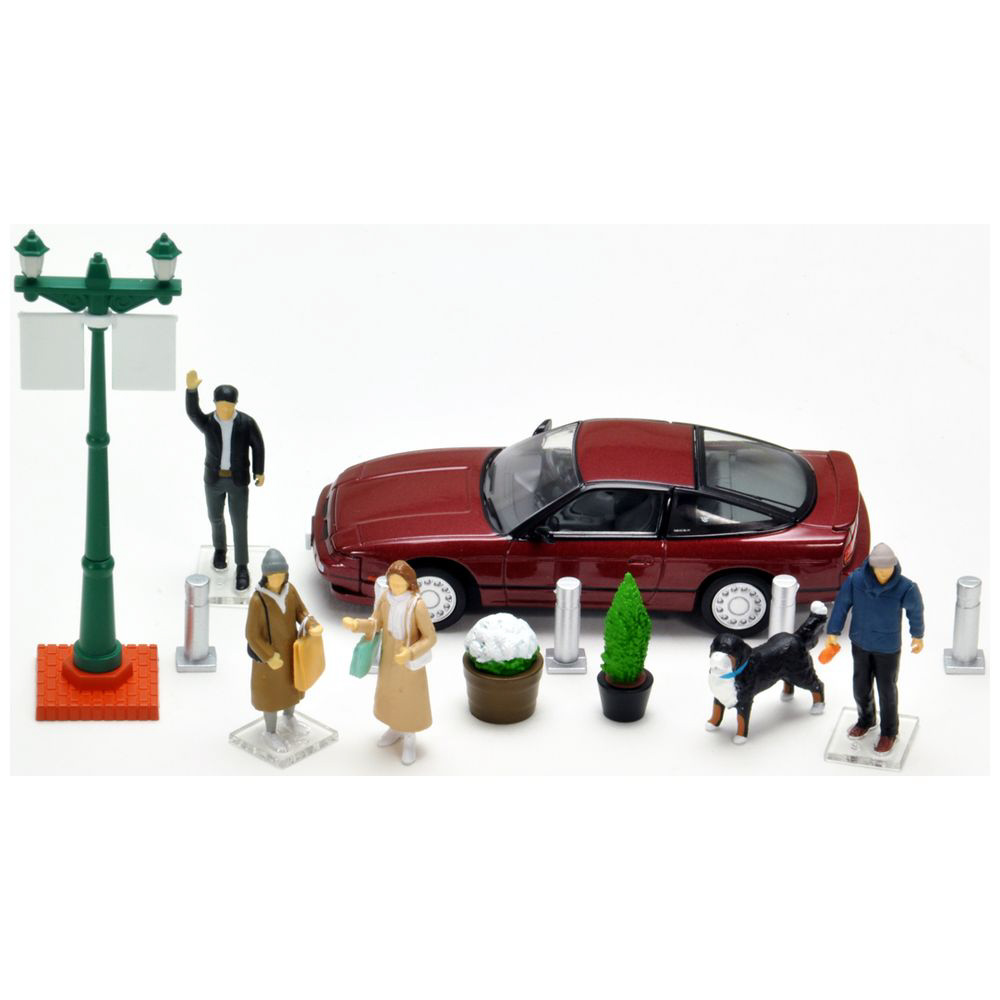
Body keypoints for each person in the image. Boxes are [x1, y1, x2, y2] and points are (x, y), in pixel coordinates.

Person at [824, 542, 924, 755]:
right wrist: (833, 631)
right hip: (860, 642)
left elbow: (915, 610)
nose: (884, 573)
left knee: (887, 690)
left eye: (888, 568)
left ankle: (889, 732)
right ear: (872, 566)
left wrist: (917, 635)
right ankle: (866, 719)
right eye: (880, 568)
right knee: (860, 686)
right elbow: (841, 604)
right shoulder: (856, 580)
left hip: (888, 648)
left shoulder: (906, 587)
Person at [343, 560, 436, 765]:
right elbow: (376, 622)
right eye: (392, 583)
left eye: (400, 584)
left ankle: (409, 737)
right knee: (390, 693)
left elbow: (430, 637)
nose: (395, 587)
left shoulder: (417, 604)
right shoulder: (386, 597)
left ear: (409, 583)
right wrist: (357, 625)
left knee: (409, 697)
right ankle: (395, 727)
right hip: (389, 655)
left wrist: (411, 652)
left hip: (408, 659)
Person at [185, 369, 265, 591]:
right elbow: (193, 413)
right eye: (221, 406)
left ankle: (242, 566)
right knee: (215, 517)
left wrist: (259, 471)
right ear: (215, 405)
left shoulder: (246, 423)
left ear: (235, 405)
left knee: (239, 522)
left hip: (238, 480)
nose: (225, 410)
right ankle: (220, 550)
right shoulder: (208, 422)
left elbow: (258, 445)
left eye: (229, 406)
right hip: (213, 479)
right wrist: (191, 391)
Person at [245, 548, 322, 754]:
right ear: (265, 576)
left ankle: (289, 717)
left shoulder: (291, 591)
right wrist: (269, 656)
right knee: (270, 695)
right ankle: (270, 731)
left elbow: (301, 611)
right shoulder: (258, 601)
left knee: (291, 687)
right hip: (270, 658)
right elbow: (252, 635)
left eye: (281, 574)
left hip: (291, 652)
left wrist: (311, 624)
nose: (277, 579)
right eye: (273, 575)